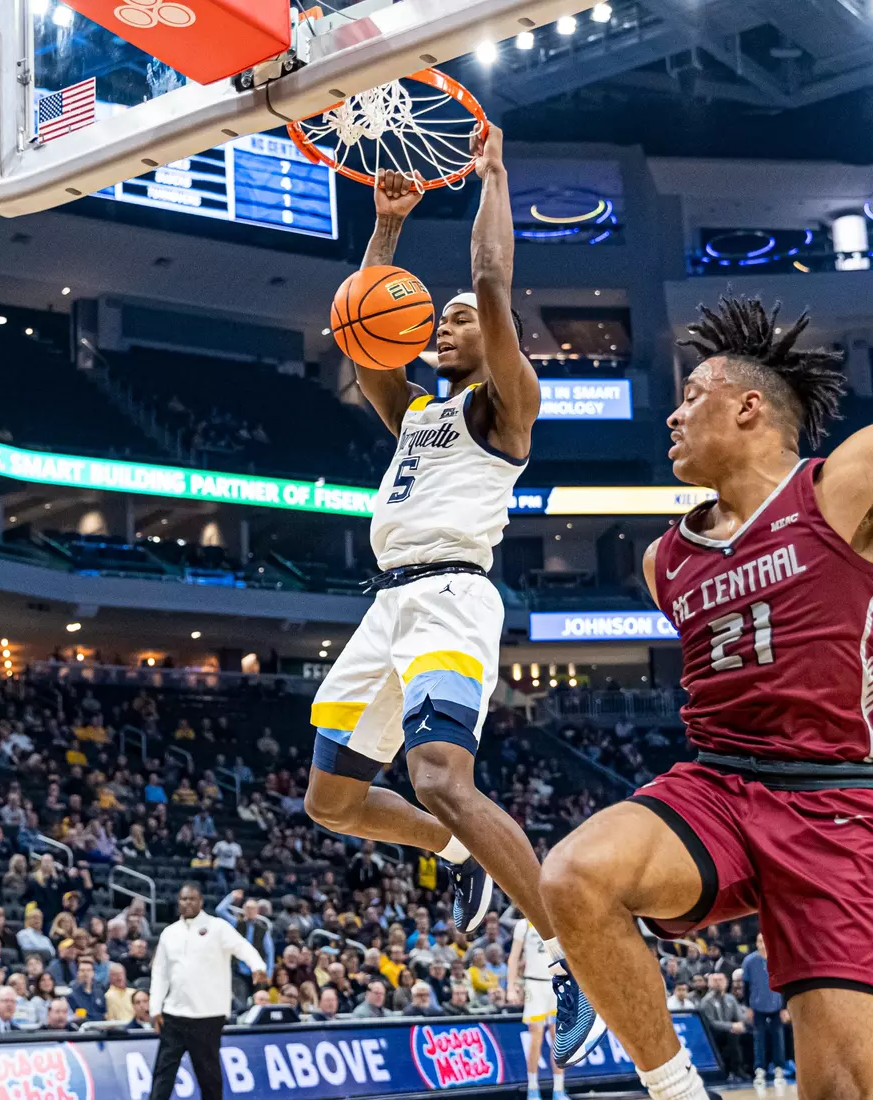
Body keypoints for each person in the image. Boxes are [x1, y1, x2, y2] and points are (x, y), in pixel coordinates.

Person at [302, 126, 597, 1061]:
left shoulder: (503, 406)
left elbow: (495, 283)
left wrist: (494, 176)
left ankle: (568, 951)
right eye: (443, 317)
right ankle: (457, 850)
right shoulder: (417, 413)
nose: (447, 322)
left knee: (437, 776)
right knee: (330, 801)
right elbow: (365, 347)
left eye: (458, 317)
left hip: (451, 599)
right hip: (387, 605)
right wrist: (386, 229)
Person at [540, 295, 872, 1100]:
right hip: (718, 785)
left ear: (749, 406)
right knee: (573, 875)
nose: (673, 416)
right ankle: (677, 1089)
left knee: (842, 1089)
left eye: (692, 396)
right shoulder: (664, 560)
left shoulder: (841, 489)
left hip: (835, 801)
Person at [149, 883, 268, 1100]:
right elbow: (160, 973)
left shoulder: (217, 927)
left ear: (201, 902)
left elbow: (241, 946)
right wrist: (155, 1008)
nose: (187, 903)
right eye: (183, 899)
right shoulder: (169, 933)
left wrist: (257, 966)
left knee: (209, 1077)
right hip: (174, 1014)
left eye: (192, 899)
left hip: (208, 1016)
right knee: (162, 1074)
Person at [508, 917, 566, 1100]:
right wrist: (510, 987)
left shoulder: (556, 920)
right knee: (536, 1037)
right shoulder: (523, 925)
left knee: (559, 1038)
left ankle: (559, 1090)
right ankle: (532, 1088)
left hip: (557, 983)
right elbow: (513, 957)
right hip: (534, 985)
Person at [743, 934, 788, 1088]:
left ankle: (779, 1070)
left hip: (777, 1006)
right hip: (757, 1006)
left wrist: (784, 1008)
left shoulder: (779, 959)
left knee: (778, 1039)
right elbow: (746, 987)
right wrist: (748, 1007)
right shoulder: (749, 961)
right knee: (759, 1039)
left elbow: (784, 985)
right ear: (756, 943)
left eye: (764, 940)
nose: (762, 944)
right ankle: (760, 1070)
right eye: (759, 941)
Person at [215, 890, 274, 1003]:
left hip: (257, 971)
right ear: (243, 910)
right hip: (239, 970)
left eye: (253, 908)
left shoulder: (263, 929)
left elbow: (269, 952)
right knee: (240, 1000)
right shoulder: (236, 923)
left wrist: (269, 973)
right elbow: (220, 910)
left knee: (259, 1001)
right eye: (247, 908)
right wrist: (231, 897)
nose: (250, 911)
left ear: (257, 911)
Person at [700, 974, 746, 1083]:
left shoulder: (731, 998)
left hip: (730, 1031)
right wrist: (732, 1026)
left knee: (749, 1034)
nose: (718, 983)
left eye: (720, 980)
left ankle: (752, 1069)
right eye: (715, 980)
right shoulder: (706, 1001)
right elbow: (711, 1023)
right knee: (732, 1035)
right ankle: (736, 1070)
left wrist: (741, 1025)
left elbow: (739, 1017)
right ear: (709, 984)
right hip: (713, 1034)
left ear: (726, 982)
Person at [68, 957, 107, 1022]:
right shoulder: (72, 995)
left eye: (88, 970)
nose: (85, 973)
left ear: (93, 973)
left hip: (101, 1026)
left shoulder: (100, 992)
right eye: (82, 970)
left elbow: (105, 1013)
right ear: (77, 973)